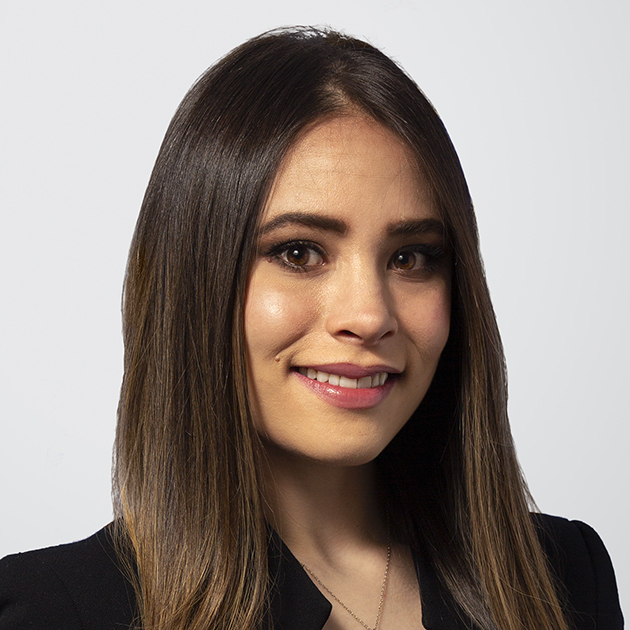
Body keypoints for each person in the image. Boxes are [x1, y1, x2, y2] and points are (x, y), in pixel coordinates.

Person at [0, 26, 623, 630]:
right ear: (194, 279)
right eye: (299, 253)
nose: (369, 316)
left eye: (410, 258)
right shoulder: (48, 611)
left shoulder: (566, 578)